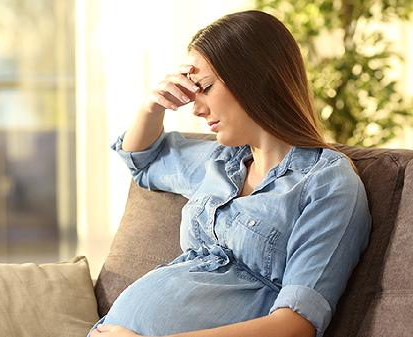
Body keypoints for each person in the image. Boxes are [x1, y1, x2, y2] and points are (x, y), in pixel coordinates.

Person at [88, 9, 371, 337]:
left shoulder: (327, 184)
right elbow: (142, 159)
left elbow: (295, 326)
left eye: (204, 88)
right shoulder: (221, 161)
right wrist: (152, 106)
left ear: (252, 77)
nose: (196, 108)